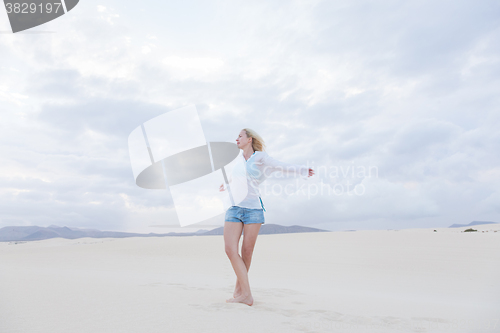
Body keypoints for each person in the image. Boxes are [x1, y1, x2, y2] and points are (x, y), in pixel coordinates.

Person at [219, 128, 314, 306]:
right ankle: (245, 294)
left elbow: (280, 165)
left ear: (249, 139)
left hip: (253, 210)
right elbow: (234, 176)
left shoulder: (260, 157)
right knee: (230, 250)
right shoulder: (238, 159)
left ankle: (241, 294)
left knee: (247, 253)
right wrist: (225, 184)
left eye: (240, 136)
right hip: (234, 208)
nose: (236, 138)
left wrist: (301, 170)